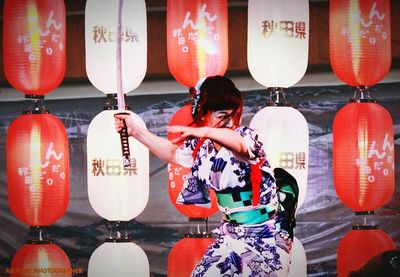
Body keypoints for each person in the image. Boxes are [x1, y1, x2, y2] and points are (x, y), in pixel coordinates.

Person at [115, 75, 297, 276]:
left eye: (230, 112)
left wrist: (205, 132)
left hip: (264, 237)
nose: (226, 119)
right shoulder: (201, 148)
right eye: (219, 113)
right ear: (203, 112)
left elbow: (238, 145)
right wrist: (136, 131)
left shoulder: (246, 137)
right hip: (230, 235)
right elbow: (172, 153)